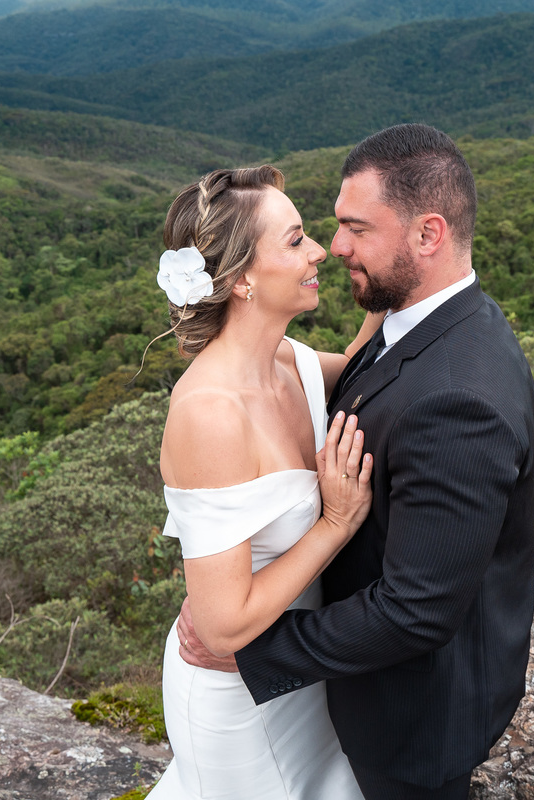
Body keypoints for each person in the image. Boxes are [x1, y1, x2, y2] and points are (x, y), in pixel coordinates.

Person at [178, 123, 534, 800]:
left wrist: (253, 654)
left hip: (408, 721)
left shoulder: (461, 398)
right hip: (317, 692)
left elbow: (417, 611)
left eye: (355, 229)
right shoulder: (419, 324)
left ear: (428, 235)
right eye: (306, 236)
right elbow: (363, 373)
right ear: (242, 279)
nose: (332, 246)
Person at [146, 164, 384, 799]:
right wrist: (335, 524)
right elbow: (221, 627)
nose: (319, 253)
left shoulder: (285, 358)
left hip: (297, 669)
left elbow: (358, 371)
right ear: (243, 279)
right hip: (236, 691)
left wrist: (387, 278)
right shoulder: (210, 414)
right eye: (296, 239)